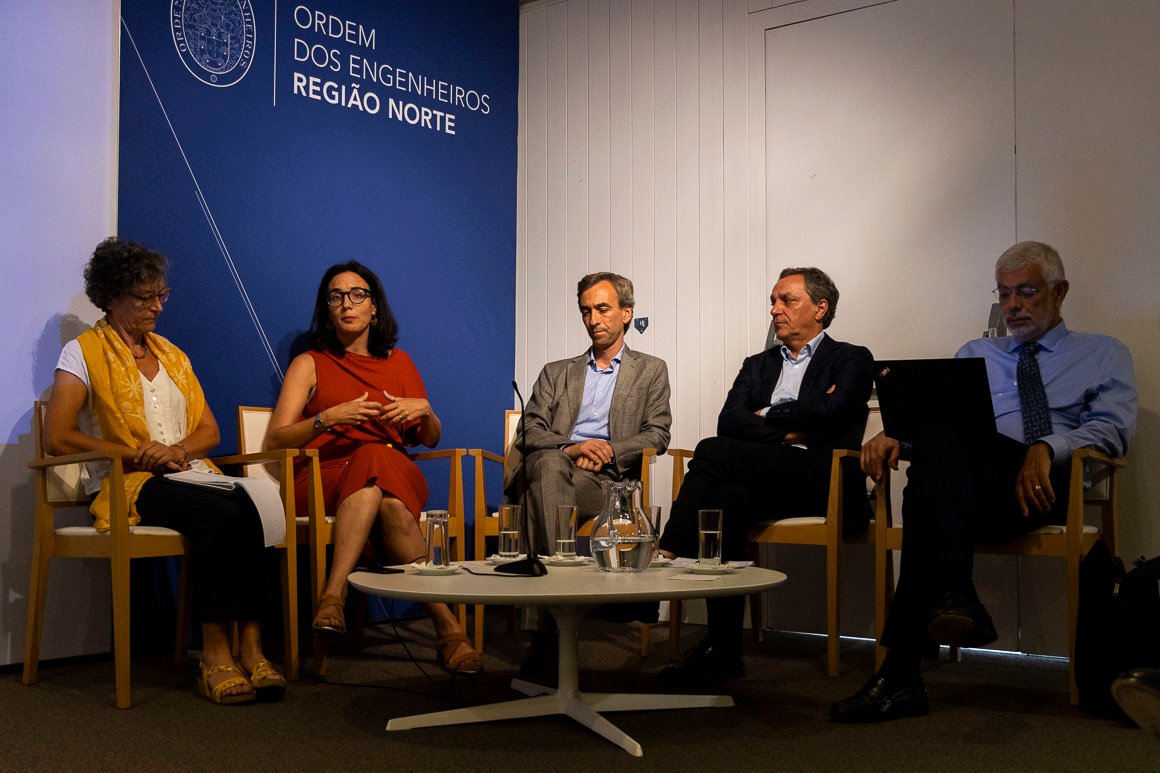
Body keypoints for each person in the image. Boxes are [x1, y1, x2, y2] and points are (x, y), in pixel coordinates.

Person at [831, 241, 1138, 723]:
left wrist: (1047, 447)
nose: (1013, 305)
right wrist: (898, 436)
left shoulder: (1102, 353)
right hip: (970, 491)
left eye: (1027, 292)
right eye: (1005, 293)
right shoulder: (976, 353)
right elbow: (943, 433)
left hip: (1043, 487)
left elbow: (1113, 431)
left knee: (928, 495)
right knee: (936, 442)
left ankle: (903, 672)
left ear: (1059, 292)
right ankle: (955, 597)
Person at [43, 237, 286, 705]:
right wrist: (134, 454)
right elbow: (58, 435)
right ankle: (214, 652)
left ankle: (252, 646)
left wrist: (176, 448)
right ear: (112, 297)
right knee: (218, 514)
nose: (158, 306)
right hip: (128, 481)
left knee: (259, 503)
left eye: (162, 294)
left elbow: (209, 430)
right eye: (145, 297)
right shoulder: (82, 352)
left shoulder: (173, 355)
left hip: (185, 472)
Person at [657, 267, 874, 683]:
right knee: (724, 499)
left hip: (821, 477)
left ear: (820, 308)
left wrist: (768, 413)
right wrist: (795, 426)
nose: (775, 309)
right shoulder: (758, 364)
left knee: (711, 450)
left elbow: (837, 411)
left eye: (786, 300)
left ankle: (667, 550)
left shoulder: (851, 358)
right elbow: (729, 421)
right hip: (766, 477)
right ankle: (724, 650)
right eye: (773, 301)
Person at [264, 261, 481, 674]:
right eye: (336, 297)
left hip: (390, 470)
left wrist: (426, 410)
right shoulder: (309, 363)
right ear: (327, 309)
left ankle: (333, 597)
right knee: (386, 488)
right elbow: (275, 440)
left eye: (357, 295)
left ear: (375, 307)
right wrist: (328, 418)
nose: (347, 304)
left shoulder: (400, 362)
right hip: (323, 477)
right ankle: (449, 630)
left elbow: (430, 438)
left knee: (377, 461)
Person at [504, 272, 672, 558]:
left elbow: (657, 435)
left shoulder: (651, 370)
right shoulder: (555, 372)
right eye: (586, 311)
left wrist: (607, 450)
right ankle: (560, 575)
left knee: (537, 493)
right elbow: (529, 429)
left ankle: (545, 578)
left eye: (602, 309)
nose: (593, 320)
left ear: (626, 313)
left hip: (604, 479)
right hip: (551, 466)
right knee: (549, 464)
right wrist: (572, 448)